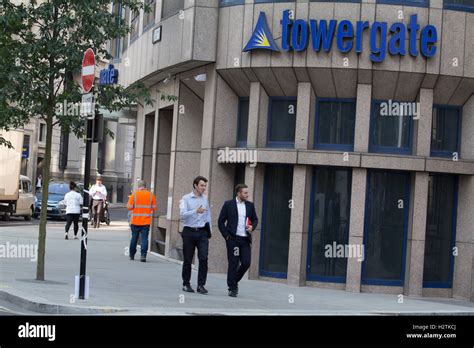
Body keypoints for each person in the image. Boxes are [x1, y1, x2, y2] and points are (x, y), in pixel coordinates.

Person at [218, 184, 258, 297]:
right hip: (233, 239)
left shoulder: (250, 205)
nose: (247, 195)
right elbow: (221, 222)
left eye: (247, 192)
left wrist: (252, 227)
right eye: (245, 193)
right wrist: (226, 236)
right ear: (238, 193)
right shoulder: (228, 204)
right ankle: (232, 288)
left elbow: (255, 219)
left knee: (246, 262)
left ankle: (233, 281)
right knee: (233, 263)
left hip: (245, 239)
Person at [179, 176, 212, 294]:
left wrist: (209, 231)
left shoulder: (205, 198)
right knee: (188, 259)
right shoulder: (185, 199)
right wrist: (195, 211)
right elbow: (182, 215)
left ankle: (201, 285)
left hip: (202, 232)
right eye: (202, 185)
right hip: (189, 231)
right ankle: (186, 283)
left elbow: (208, 215)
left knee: (203, 258)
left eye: (205, 186)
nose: (204, 188)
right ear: (195, 185)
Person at [127, 179, 157, 262]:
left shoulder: (134, 195)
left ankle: (132, 255)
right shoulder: (151, 195)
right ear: (145, 186)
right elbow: (154, 208)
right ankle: (143, 255)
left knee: (134, 238)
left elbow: (129, 207)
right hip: (146, 221)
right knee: (144, 239)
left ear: (138, 186)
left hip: (135, 221)